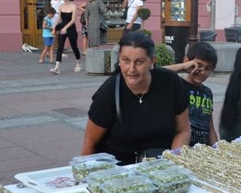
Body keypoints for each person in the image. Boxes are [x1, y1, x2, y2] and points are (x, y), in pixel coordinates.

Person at [81, 32, 190, 164]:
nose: (131, 69)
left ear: (152, 61)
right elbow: (90, 145)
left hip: (162, 168)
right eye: (125, 60)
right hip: (119, 173)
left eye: (139, 62)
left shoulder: (171, 83)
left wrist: (174, 162)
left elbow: (183, 130)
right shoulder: (108, 92)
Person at [164, 42, 219, 146]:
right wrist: (183, 66)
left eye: (208, 68)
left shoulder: (207, 92)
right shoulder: (178, 85)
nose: (202, 72)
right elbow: (156, 72)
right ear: (187, 61)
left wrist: (217, 149)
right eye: (198, 65)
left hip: (202, 150)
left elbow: (210, 127)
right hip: (182, 147)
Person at [52, 0, 82, 74]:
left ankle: (78, 64)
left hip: (71, 28)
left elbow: (73, 20)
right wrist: (55, 26)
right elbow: (59, 18)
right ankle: (57, 67)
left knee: (74, 47)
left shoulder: (73, 6)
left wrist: (65, 28)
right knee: (60, 47)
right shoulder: (60, 6)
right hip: (62, 28)